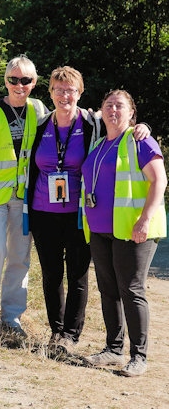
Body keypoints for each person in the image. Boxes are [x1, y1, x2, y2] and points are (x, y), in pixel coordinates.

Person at [25, 67, 150, 354]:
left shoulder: (91, 122)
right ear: (51, 93)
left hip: (80, 213)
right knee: (51, 275)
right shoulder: (42, 124)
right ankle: (56, 332)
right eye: (58, 89)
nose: (64, 95)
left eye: (70, 90)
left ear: (79, 93)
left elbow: (121, 128)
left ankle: (71, 335)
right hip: (43, 211)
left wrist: (145, 128)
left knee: (78, 275)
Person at [81, 90, 166, 377]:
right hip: (102, 230)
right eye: (108, 105)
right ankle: (113, 350)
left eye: (120, 106)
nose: (113, 110)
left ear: (132, 113)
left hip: (133, 230)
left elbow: (160, 180)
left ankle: (138, 356)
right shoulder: (98, 143)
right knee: (108, 290)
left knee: (131, 290)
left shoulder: (140, 140)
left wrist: (144, 220)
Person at [0, 55, 48, 335]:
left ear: (34, 83)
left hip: (24, 198)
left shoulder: (39, 111)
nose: (19, 85)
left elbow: (71, 119)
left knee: (19, 256)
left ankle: (11, 317)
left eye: (25, 80)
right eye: (13, 79)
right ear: (6, 81)